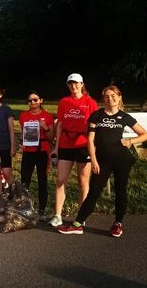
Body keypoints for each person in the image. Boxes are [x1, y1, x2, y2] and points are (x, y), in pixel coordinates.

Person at [58, 86, 147, 237]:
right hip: (102, 161)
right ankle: (77, 224)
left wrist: (131, 140)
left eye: (113, 96)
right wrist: (93, 160)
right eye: (106, 96)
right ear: (103, 99)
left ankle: (117, 224)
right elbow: (90, 139)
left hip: (122, 159)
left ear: (119, 97)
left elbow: (145, 134)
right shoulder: (96, 115)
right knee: (93, 192)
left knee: (120, 191)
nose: (110, 99)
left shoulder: (124, 117)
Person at [49, 73, 98, 227]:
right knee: (60, 180)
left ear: (82, 84)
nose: (73, 86)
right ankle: (57, 215)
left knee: (83, 182)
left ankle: (81, 217)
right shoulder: (64, 102)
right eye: (70, 83)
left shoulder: (90, 102)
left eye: (76, 83)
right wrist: (56, 147)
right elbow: (60, 125)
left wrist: (94, 147)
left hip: (84, 145)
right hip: (65, 144)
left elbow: (95, 127)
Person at [18, 91, 54, 221]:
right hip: (28, 151)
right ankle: (23, 208)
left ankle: (42, 209)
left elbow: (51, 138)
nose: (32, 102)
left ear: (41, 101)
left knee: (42, 180)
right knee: (24, 179)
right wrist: (21, 143)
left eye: (35, 100)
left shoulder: (47, 116)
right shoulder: (23, 116)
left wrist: (45, 127)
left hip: (42, 151)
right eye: (29, 100)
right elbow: (22, 134)